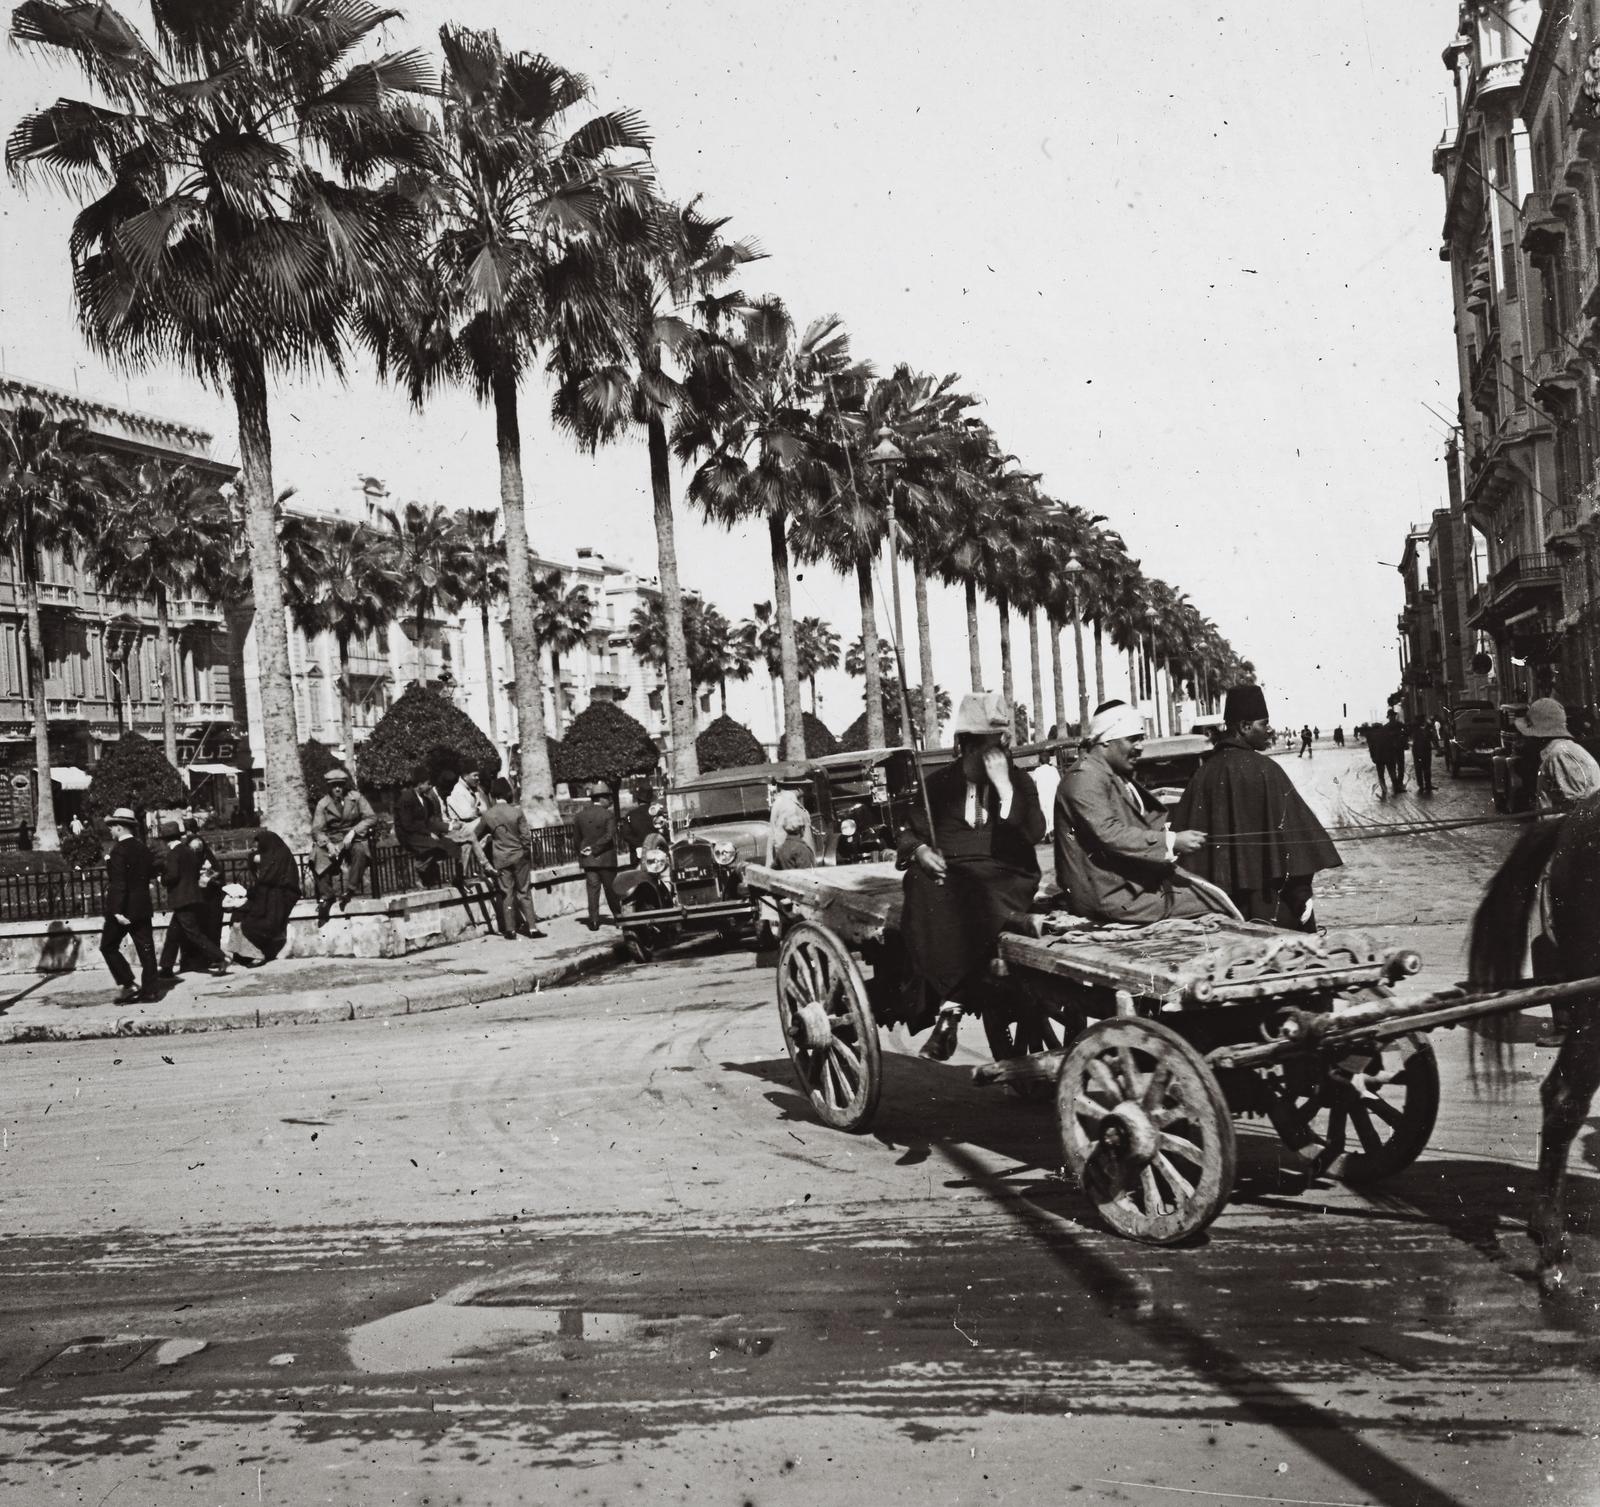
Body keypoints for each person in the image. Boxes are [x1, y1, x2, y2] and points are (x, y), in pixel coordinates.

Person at [896, 691, 1046, 1061]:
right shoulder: (938, 785)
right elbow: (908, 832)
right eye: (984, 747)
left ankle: (950, 1010)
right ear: (964, 745)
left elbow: (1032, 833)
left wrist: (1005, 790)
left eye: (999, 746)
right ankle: (950, 1008)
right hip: (951, 877)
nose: (994, 756)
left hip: (1004, 873)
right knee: (921, 884)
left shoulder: (1019, 783)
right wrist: (921, 851)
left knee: (979, 893)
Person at [1172, 684, 1343, 930]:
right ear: (1244, 726)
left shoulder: (1203, 774)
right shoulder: (1266, 770)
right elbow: (1296, 843)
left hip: (1222, 913)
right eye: (1264, 723)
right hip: (1270, 907)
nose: (1269, 730)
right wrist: (1301, 892)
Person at [1055, 701, 1219, 923]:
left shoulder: (1111, 774)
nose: (1141, 746)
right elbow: (1110, 833)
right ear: (1105, 741)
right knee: (1215, 901)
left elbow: (1143, 820)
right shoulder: (1084, 778)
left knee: (1211, 889)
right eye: (1133, 739)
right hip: (1109, 897)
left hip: (1127, 886)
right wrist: (1171, 842)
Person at [1515, 698, 1600, 1047]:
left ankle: (1570, 1025)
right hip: (1565, 855)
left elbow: (1587, 803)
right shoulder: (1558, 752)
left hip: (1571, 858)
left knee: (1556, 939)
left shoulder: (1558, 755)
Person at [101, 806, 159, 1003]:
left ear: (119, 827)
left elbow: (119, 883)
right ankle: (151, 991)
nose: (110, 830)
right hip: (142, 906)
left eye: (112, 826)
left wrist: (116, 910)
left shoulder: (118, 851)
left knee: (108, 946)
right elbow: (151, 873)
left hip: (124, 908)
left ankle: (129, 984)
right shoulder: (143, 848)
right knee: (146, 948)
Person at [156, 821, 230, 977]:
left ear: (165, 839)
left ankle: (222, 957)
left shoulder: (173, 853)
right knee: (173, 934)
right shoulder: (188, 851)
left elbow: (173, 876)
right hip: (193, 896)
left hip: (182, 898)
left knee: (193, 934)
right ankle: (166, 967)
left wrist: (161, 879)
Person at [476, 776, 545, 939]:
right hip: (519, 856)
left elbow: (475, 836)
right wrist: (525, 852)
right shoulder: (516, 811)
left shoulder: (488, 815)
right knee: (524, 892)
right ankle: (532, 928)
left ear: (493, 795)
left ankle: (510, 930)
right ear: (508, 794)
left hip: (500, 858)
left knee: (506, 893)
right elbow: (526, 837)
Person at [310, 768, 376, 924]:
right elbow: (317, 830)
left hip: (352, 838)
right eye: (334, 786)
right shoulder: (323, 804)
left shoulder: (356, 798)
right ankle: (327, 897)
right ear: (329, 787)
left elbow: (371, 817)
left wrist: (354, 832)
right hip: (332, 839)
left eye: (340, 785)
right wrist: (328, 845)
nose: (338, 789)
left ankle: (350, 890)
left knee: (360, 851)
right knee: (317, 855)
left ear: (345, 785)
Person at [234, 828, 300, 963]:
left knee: (258, 922)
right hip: (268, 893)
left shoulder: (280, 855)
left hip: (283, 894)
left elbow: (270, 878)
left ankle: (257, 954)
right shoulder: (273, 854)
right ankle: (245, 954)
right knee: (240, 914)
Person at [394, 764, 457, 885]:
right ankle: (420, 867)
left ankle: (425, 869)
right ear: (419, 784)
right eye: (428, 783)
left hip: (421, 832)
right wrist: (428, 833)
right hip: (408, 834)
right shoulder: (406, 798)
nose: (430, 786)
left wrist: (444, 828)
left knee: (448, 845)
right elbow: (407, 824)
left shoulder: (426, 800)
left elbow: (429, 820)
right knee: (435, 845)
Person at [573, 783, 621, 931]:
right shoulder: (608, 815)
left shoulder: (580, 816)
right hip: (606, 859)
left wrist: (584, 853)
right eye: (608, 798)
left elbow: (576, 839)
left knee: (592, 891)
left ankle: (593, 921)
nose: (610, 801)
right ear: (602, 798)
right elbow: (609, 836)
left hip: (589, 860)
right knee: (611, 890)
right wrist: (595, 849)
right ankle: (619, 918)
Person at [770, 806, 816, 870]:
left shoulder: (781, 849)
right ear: (801, 829)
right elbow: (808, 875)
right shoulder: (802, 849)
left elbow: (773, 870)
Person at [1410, 717, 1437, 795]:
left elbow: (1432, 738)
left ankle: (1425, 785)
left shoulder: (1424, 730)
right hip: (1420, 751)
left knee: (1425, 768)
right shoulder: (1417, 730)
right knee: (1422, 768)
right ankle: (1423, 785)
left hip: (1424, 751)